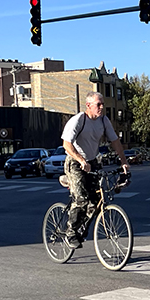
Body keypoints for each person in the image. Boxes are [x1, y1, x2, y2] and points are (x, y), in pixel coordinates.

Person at [60, 92, 130, 249]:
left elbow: (115, 142)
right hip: (75, 162)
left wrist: (123, 162)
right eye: (98, 104)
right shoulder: (79, 120)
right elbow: (66, 144)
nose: (101, 107)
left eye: (102, 104)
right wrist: (81, 160)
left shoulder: (104, 121)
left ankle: (81, 229)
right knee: (81, 199)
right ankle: (70, 232)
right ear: (88, 105)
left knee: (96, 201)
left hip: (92, 162)